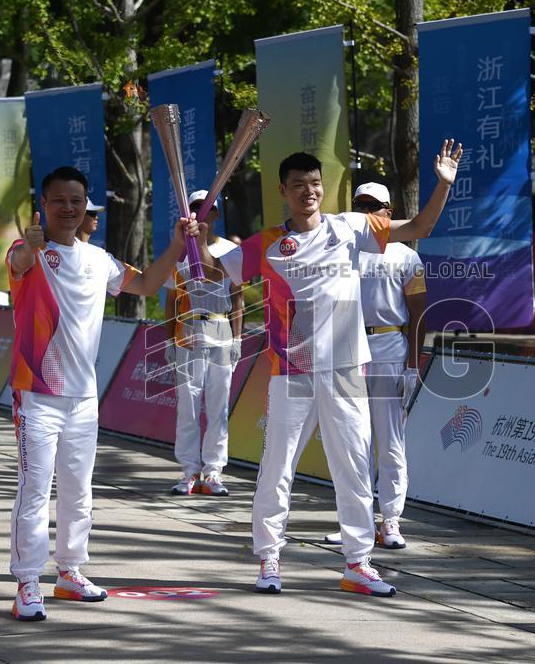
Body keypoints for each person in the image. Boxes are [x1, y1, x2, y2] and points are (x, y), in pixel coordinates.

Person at [193, 140, 462, 597]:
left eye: (315, 184)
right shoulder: (270, 243)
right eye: (298, 185)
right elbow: (216, 275)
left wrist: (442, 184)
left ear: (324, 188)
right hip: (292, 373)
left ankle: (358, 562)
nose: (308, 192)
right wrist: (196, 238)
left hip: (346, 370)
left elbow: (422, 225)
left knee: (353, 466)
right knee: (278, 467)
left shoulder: (351, 227)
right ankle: (269, 559)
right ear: (284, 190)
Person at [6, 165, 195, 621]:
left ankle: (69, 572)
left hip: (83, 398)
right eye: (58, 201)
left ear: (85, 204)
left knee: (78, 489)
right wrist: (30, 247)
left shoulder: (99, 260)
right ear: (43, 205)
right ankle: (27, 582)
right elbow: (18, 264)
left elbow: (148, 284)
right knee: (35, 490)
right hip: (38, 393)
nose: (68, 209)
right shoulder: (30, 249)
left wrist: (177, 241)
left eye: (76, 201)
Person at [321, 182, 426, 550]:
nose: (367, 212)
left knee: (390, 439)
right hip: (349, 348)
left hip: (388, 347)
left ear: (389, 208)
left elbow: (418, 313)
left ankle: (391, 521)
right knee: (353, 441)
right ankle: (356, 522)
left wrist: (413, 364)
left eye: (374, 205)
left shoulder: (406, 256)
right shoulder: (344, 250)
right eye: (360, 205)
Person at [165, 190, 244, 496]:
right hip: (187, 331)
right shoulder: (177, 252)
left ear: (216, 214)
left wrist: (237, 337)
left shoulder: (229, 251)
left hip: (220, 328)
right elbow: (172, 300)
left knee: (218, 405)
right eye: (195, 209)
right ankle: (188, 471)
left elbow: (235, 296)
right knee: (187, 404)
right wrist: (169, 341)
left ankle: (213, 472)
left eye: (207, 209)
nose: (201, 214)